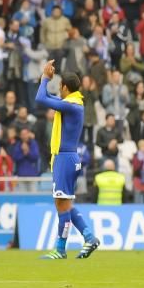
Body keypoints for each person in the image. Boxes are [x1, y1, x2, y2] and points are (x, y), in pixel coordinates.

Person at [35, 60, 101, 259]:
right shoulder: (73, 103)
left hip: (65, 158)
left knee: (61, 204)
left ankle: (60, 249)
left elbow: (40, 97)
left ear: (65, 87)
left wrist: (45, 78)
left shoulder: (71, 106)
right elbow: (46, 96)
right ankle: (89, 237)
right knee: (64, 204)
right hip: (67, 157)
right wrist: (45, 79)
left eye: (60, 86)